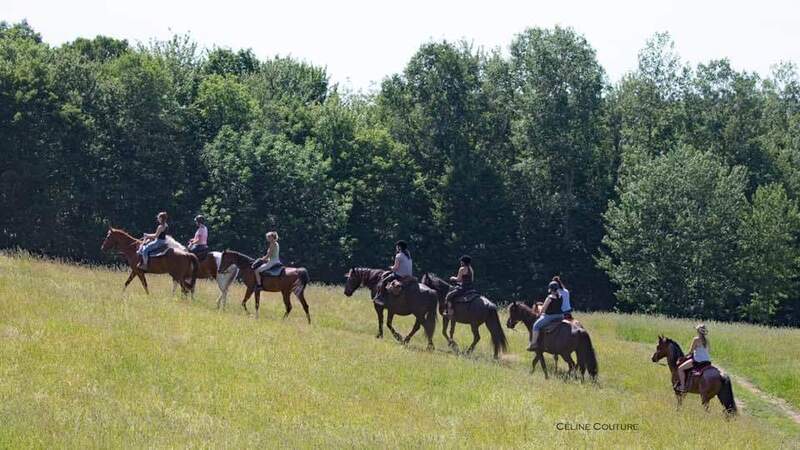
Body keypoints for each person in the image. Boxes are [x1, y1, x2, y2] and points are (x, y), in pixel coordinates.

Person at [527, 281, 564, 351]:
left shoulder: (549, 297)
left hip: (550, 317)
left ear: (551, 289)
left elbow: (543, 309)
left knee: (536, 326)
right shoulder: (560, 296)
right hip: (560, 316)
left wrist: (540, 313)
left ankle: (533, 344)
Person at [373, 240, 413, 306]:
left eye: (397, 246)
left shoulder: (399, 255)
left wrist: (391, 267)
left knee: (383, 281)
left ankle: (380, 297)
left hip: (400, 275)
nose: (396, 248)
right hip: (408, 275)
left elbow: (395, 268)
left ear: (399, 247)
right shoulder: (408, 255)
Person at [677, 324, 711, 392]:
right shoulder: (707, 340)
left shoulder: (696, 339)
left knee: (680, 368)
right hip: (707, 361)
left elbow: (690, 352)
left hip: (697, 361)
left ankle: (682, 386)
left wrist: (684, 357)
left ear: (698, 331)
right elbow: (709, 351)